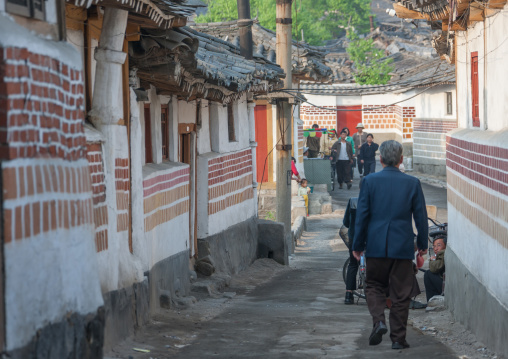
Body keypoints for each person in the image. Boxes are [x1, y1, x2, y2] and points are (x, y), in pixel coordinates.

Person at [353, 140, 428, 350]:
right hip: (402, 247)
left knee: (374, 285)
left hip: (376, 245)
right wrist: (422, 244)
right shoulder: (412, 183)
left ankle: (378, 322)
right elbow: (421, 217)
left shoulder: (369, 181)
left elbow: (362, 216)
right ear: (401, 160)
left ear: (381, 159)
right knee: (401, 293)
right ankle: (398, 339)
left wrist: (357, 245)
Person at [342, 178, 365, 304]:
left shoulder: (352, 202)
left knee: (352, 264)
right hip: (369, 238)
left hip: (354, 238)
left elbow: (346, 222)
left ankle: (348, 295)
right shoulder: (375, 202)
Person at [424, 236, 446, 302]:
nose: (436, 248)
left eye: (439, 245)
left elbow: (435, 268)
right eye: (434, 246)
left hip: (447, 286)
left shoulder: (443, 253)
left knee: (428, 274)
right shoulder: (441, 254)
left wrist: (432, 260)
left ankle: (431, 301)